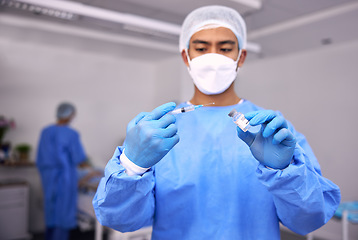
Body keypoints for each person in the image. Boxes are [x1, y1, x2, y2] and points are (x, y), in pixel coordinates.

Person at [93, 5, 341, 239]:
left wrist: (285, 172)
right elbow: (121, 221)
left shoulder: (269, 129)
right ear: (186, 56)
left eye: (224, 48)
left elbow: (308, 220)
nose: (213, 58)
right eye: (201, 48)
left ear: (240, 57)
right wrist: (133, 167)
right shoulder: (158, 131)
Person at [37, 102, 87, 240]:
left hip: (48, 177)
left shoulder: (45, 132)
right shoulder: (71, 134)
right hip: (65, 177)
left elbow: (41, 158)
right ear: (70, 115)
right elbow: (79, 158)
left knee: (51, 208)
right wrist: (90, 169)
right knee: (63, 210)